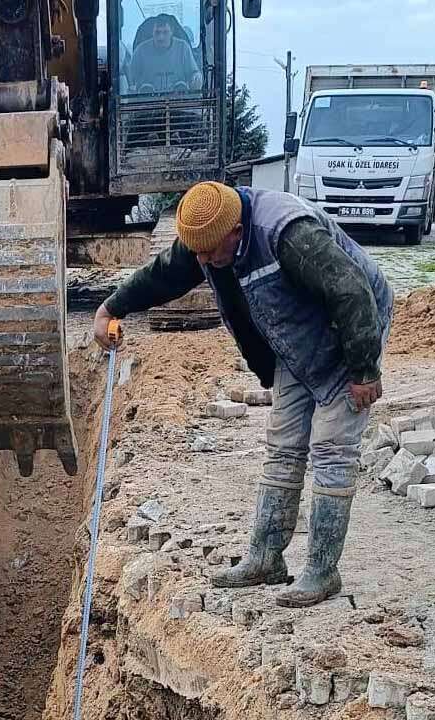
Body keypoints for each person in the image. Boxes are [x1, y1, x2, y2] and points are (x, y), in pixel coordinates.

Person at [93, 182, 394, 608]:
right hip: (298, 342)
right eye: (196, 252)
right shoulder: (209, 236)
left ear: (236, 230)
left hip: (351, 331)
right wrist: (112, 307)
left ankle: (322, 572)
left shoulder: (289, 233)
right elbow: (164, 274)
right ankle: (265, 558)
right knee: (284, 446)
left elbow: (352, 291)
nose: (203, 261)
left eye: (210, 252)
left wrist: (364, 368)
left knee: (331, 449)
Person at [128, 15, 201, 94]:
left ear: (172, 32)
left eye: (165, 32)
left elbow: (194, 73)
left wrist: (196, 78)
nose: (161, 37)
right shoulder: (140, 51)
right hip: (147, 103)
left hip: (179, 101)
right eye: (157, 32)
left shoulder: (183, 48)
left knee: (181, 86)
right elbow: (130, 80)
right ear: (152, 32)